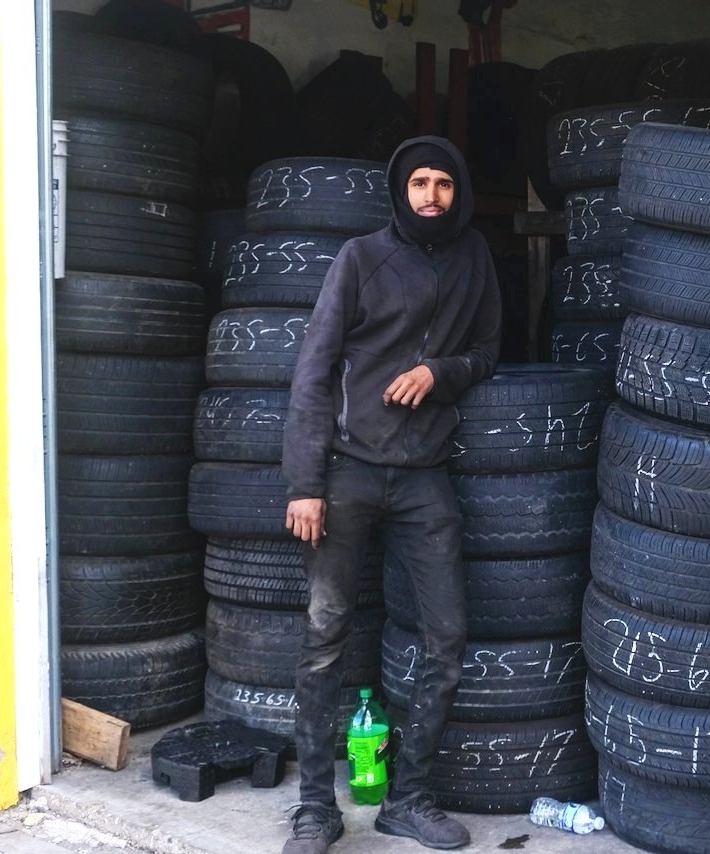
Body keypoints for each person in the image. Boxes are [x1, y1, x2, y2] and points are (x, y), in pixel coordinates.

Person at [279, 136, 501, 854]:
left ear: (458, 191)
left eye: (442, 183)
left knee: (447, 637)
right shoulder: (360, 259)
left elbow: (489, 349)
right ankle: (315, 809)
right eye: (419, 184)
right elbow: (313, 374)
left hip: (424, 475)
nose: (431, 196)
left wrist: (443, 371)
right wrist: (306, 484)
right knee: (323, 639)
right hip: (346, 471)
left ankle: (409, 799)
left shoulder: (475, 258)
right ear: (399, 192)